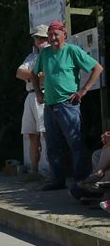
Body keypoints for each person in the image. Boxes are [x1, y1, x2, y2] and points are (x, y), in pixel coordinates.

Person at [31, 21, 103, 191]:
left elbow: (97, 68)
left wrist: (83, 91)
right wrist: (38, 93)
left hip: (68, 105)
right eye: (50, 35)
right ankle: (57, 180)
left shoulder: (72, 51)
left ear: (64, 35)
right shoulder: (45, 53)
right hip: (49, 105)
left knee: (75, 143)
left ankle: (80, 180)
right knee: (53, 145)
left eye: (56, 34)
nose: (53, 38)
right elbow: (34, 74)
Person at [16, 25, 50, 180]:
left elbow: (47, 76)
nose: (39, 41)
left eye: (42, 38)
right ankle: (34, 170)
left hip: (44, 94)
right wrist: (36, 75)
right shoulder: (32, 56)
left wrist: (31, 75)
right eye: (37, 38)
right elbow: (19, 72)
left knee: (45, 133)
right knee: (32, 134)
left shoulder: (51, 54)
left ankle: (48, 169)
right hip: (30, 94)